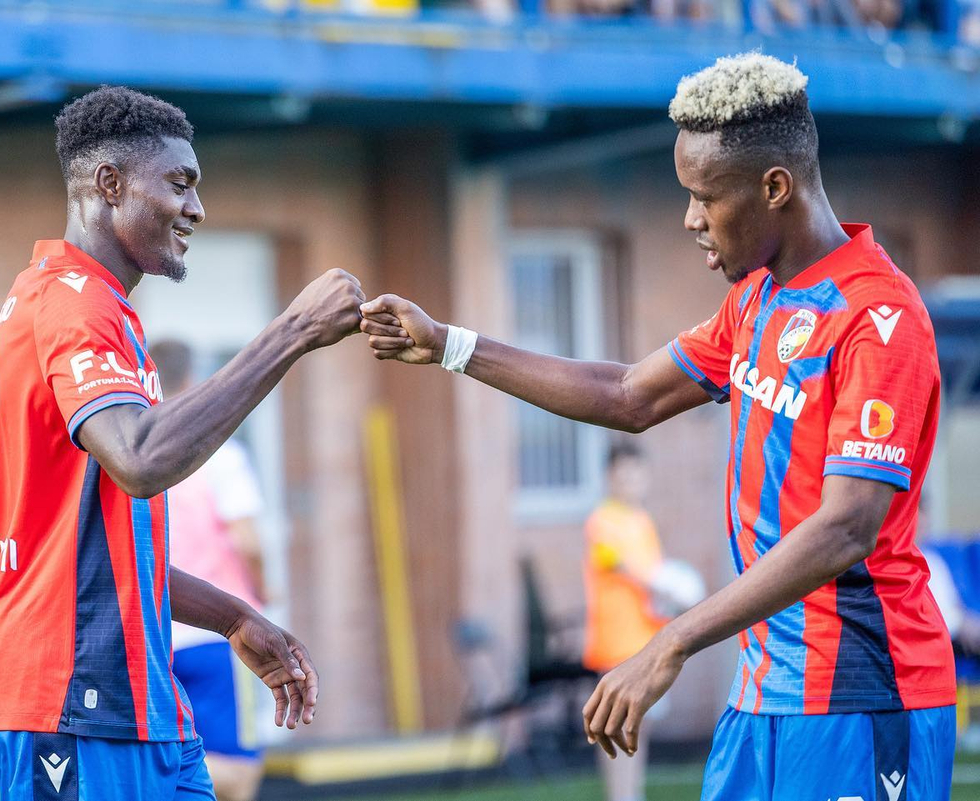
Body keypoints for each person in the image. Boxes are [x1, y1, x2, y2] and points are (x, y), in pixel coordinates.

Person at [361, 53, 956, 799]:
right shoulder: (755, 301)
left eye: (705, 197)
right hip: (763, 694)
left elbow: (845, 530)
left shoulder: (880, 318)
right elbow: (627, 395)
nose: (690, 220)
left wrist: (670, 640)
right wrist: (450, 344)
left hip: (861, 694)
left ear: (775, 188)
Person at [0, 86, 365, 799]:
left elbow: (102, 550)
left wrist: (234, 616)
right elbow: (141, 460)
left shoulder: (98, 309)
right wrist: (291, 332)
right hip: (74, 695)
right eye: (180, 183)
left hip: (136, 696)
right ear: (109, 184)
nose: (196, 208)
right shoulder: (72, 303)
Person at [153, 339, 273, 801]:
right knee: (239, 775)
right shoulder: (219, 455)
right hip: (219, 634)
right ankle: (143, 775)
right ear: (191, 382)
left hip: (158, 636)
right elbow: (247, 540)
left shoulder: (136, 455)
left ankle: (148, 769)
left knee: (182, 751)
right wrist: (264, 591)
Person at [582, 443, 666, 801]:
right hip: (616, 642)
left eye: (636, 472)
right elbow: (621, 566)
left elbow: (654, 582)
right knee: (616, 727)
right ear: (609, 478)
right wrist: (673, 586)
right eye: (622, 473)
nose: (630, 480)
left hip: (644, 639)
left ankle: (633, 793)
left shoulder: (643, 522)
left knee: (637, 726)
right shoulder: (602, 522)